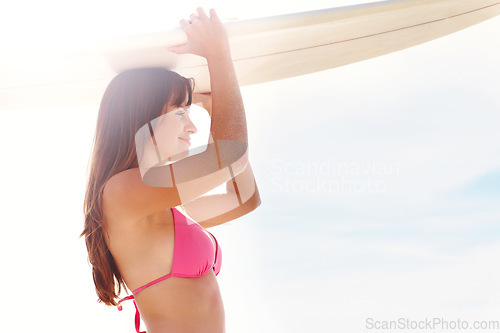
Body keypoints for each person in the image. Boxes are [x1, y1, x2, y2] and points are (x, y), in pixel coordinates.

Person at [81, 7, 261, 333]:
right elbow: (230, 156)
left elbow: (245, 198)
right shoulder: (122, 192)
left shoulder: (163, 205)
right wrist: (218, 54)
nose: (191, 127)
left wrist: (215, 105)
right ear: (143, 115)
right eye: (180, 113)